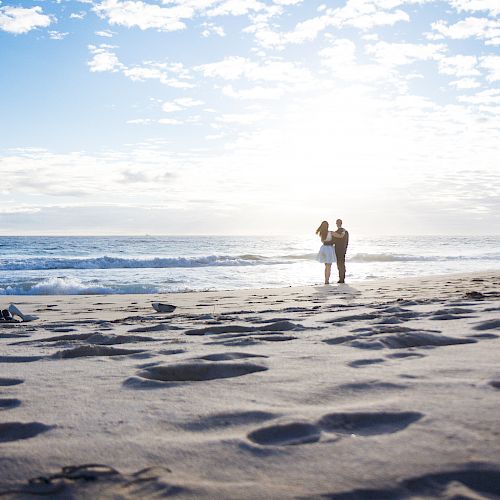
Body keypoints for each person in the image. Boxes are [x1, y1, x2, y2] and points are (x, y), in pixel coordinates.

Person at [316, 220, 346, 284]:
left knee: (326, 266)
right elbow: (340, 236)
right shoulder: (331, 232)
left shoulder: (321, 233)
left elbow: (323, 241)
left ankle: (326, 280)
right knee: (329, 266)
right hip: (329, 249)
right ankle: (327, 281)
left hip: (323, 249)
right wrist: (343, 231)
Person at [333, 219, 349, 283]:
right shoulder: (346, 232)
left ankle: (341, 279)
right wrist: (345, 248)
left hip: (338, 250)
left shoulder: (336, 232)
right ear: (341, 223)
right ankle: (343, 278)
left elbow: (333, 241)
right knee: (342, 264)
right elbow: (347, 242)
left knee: (339, 264)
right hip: (343, 249)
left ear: (337, 224)